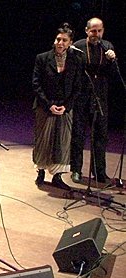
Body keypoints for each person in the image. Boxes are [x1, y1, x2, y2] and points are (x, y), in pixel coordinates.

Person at [32, 23, 83, 190]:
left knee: (62, 142)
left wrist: (66, 106)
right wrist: (49, 105)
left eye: (64, 40)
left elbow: (77, 86)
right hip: (45, 105)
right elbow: (36, 83)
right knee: (43, 140)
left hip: (64, 107)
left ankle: (58, 176)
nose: (60, 43)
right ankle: (40, 171)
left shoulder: (76, 60)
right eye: (58, 39)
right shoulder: (42, 58)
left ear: (70, 42)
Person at [70, 17, 118, 184]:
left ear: (102, 31)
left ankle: (99, 172)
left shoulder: (108, 47)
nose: (96, 34)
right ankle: (76, 170)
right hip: (82, 97)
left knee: (100, 137)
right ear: (86, 31)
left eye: (99, 31)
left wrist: (113, 60)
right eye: (93, 31)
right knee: (78, 135)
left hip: (100, 98)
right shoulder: (78, 46)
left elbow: (112, 75)